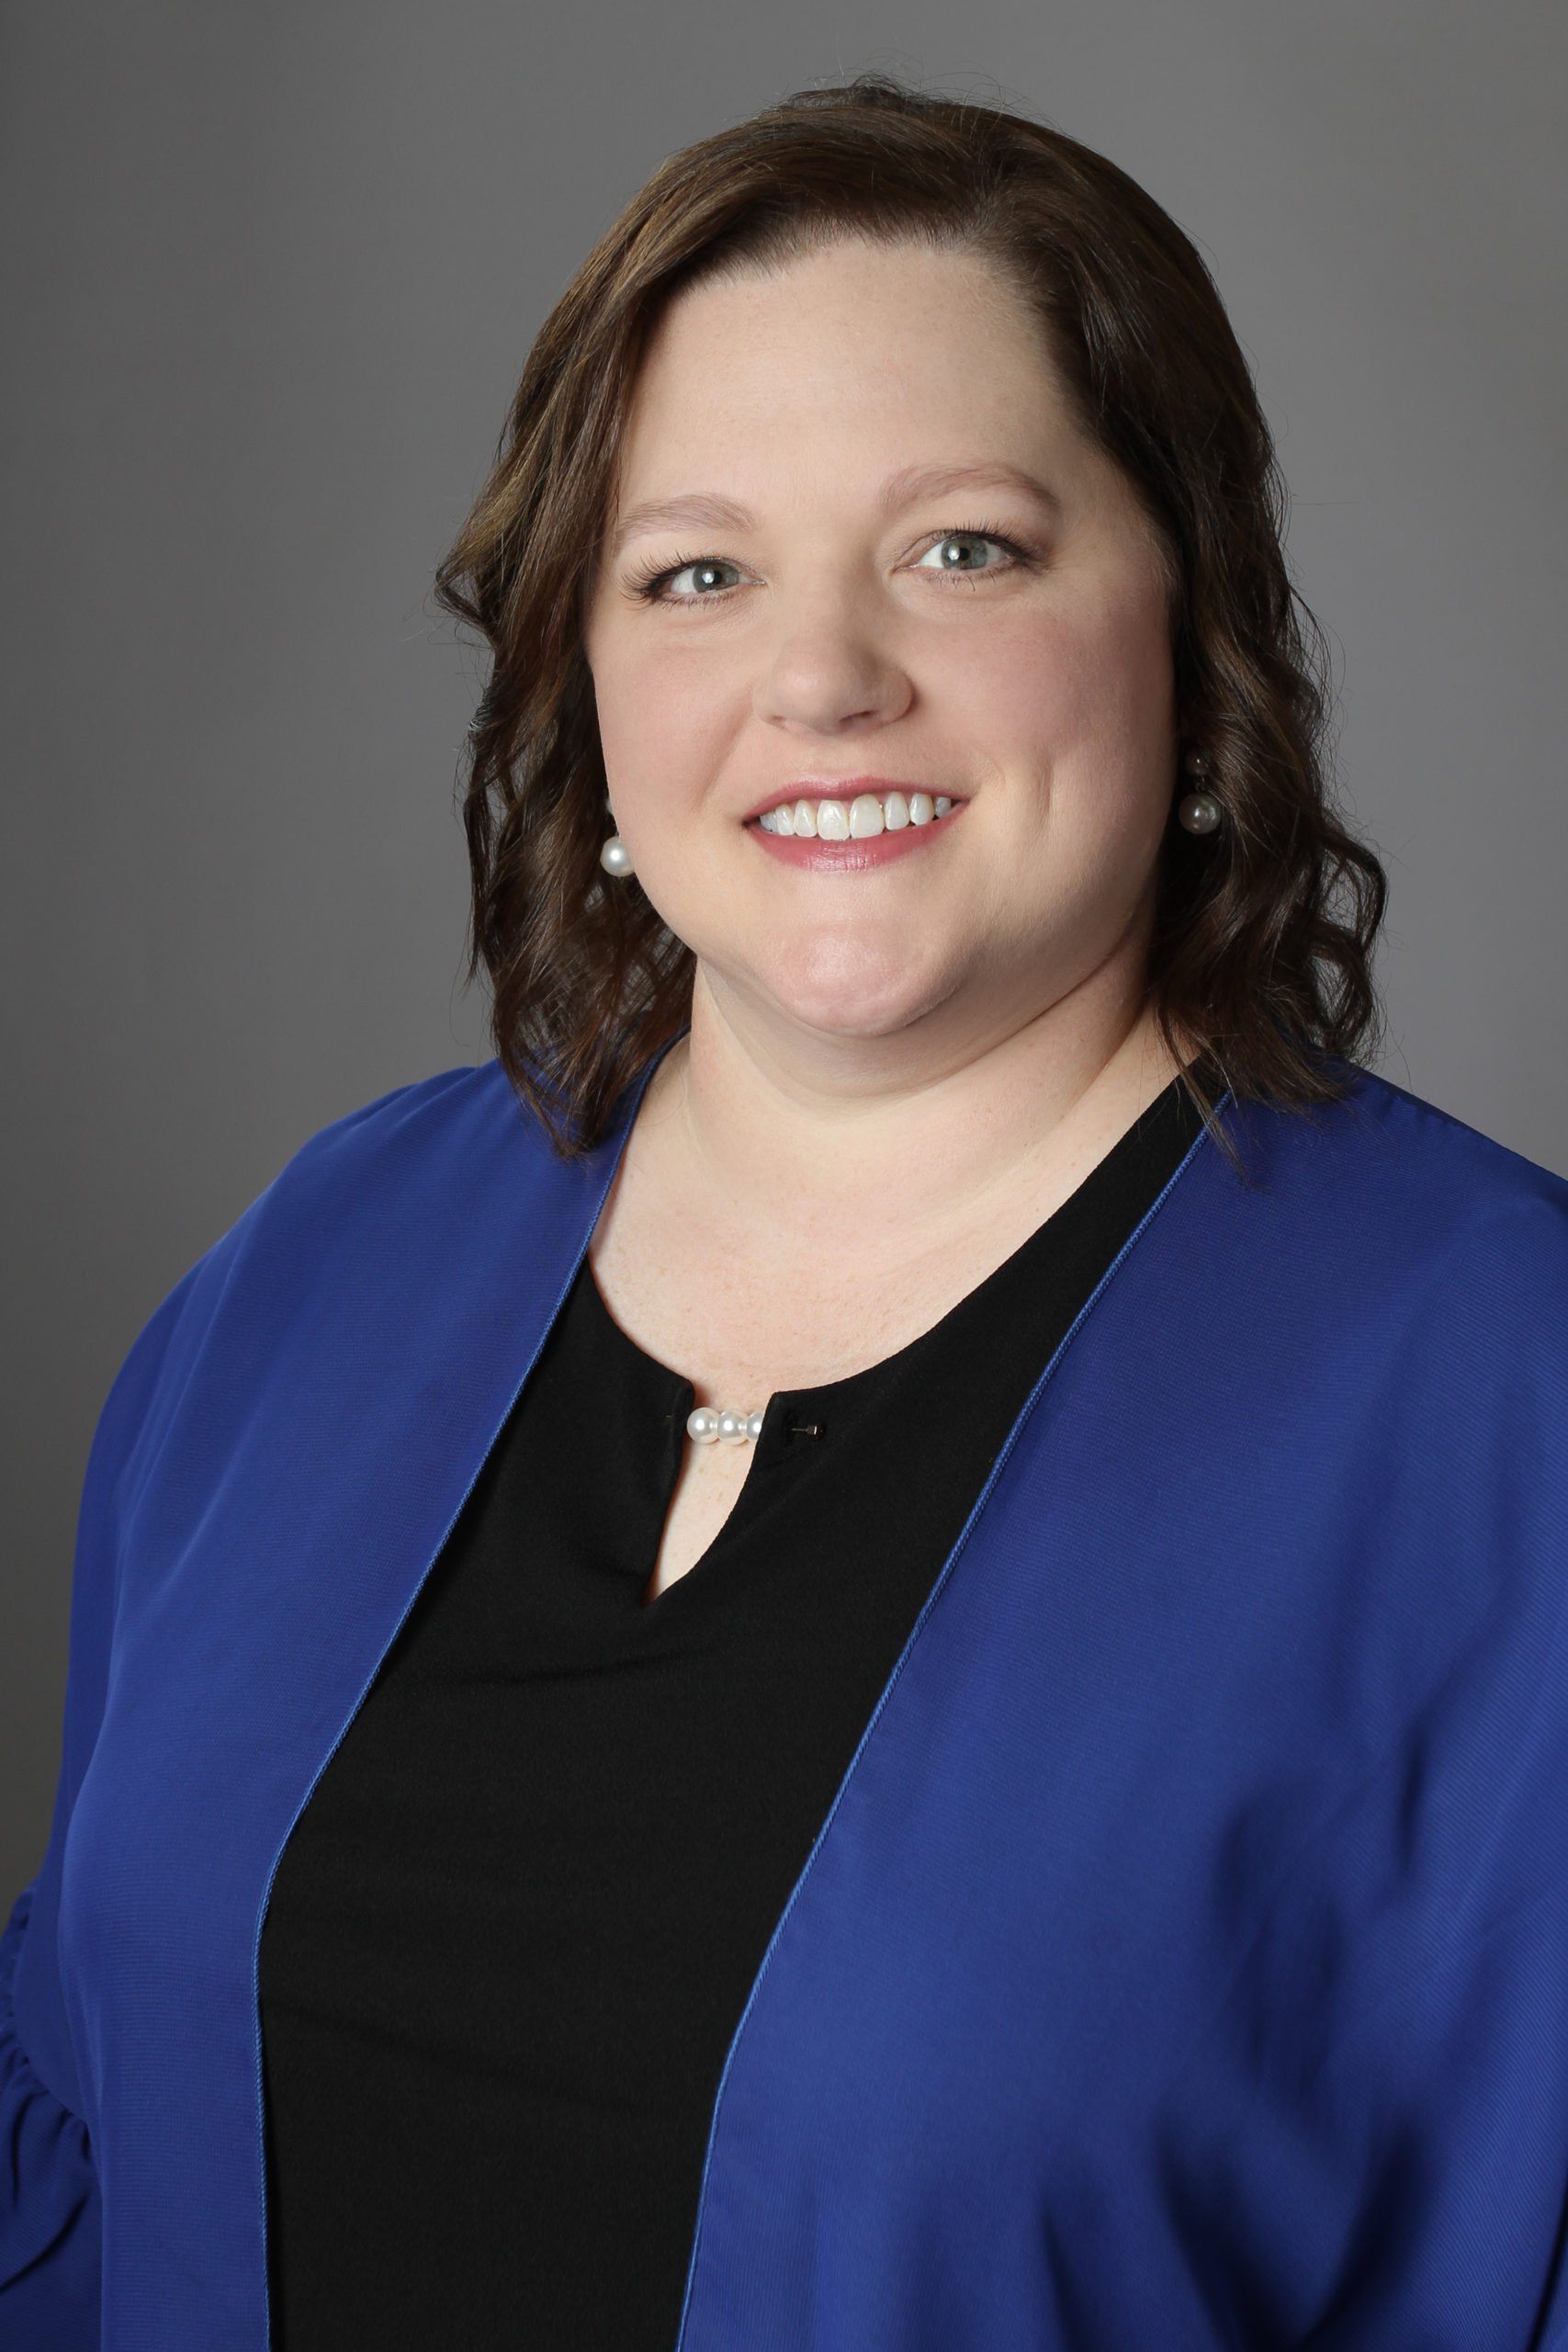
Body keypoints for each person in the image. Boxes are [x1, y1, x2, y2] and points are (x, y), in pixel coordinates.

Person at [4, 70, 1567, 2352]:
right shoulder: (319, 1272)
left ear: (1191, 628)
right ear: (591, 684)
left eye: (963, 546)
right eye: (696, 572)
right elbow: (85, 2102)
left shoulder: (1498, 1403)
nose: (819, 678)